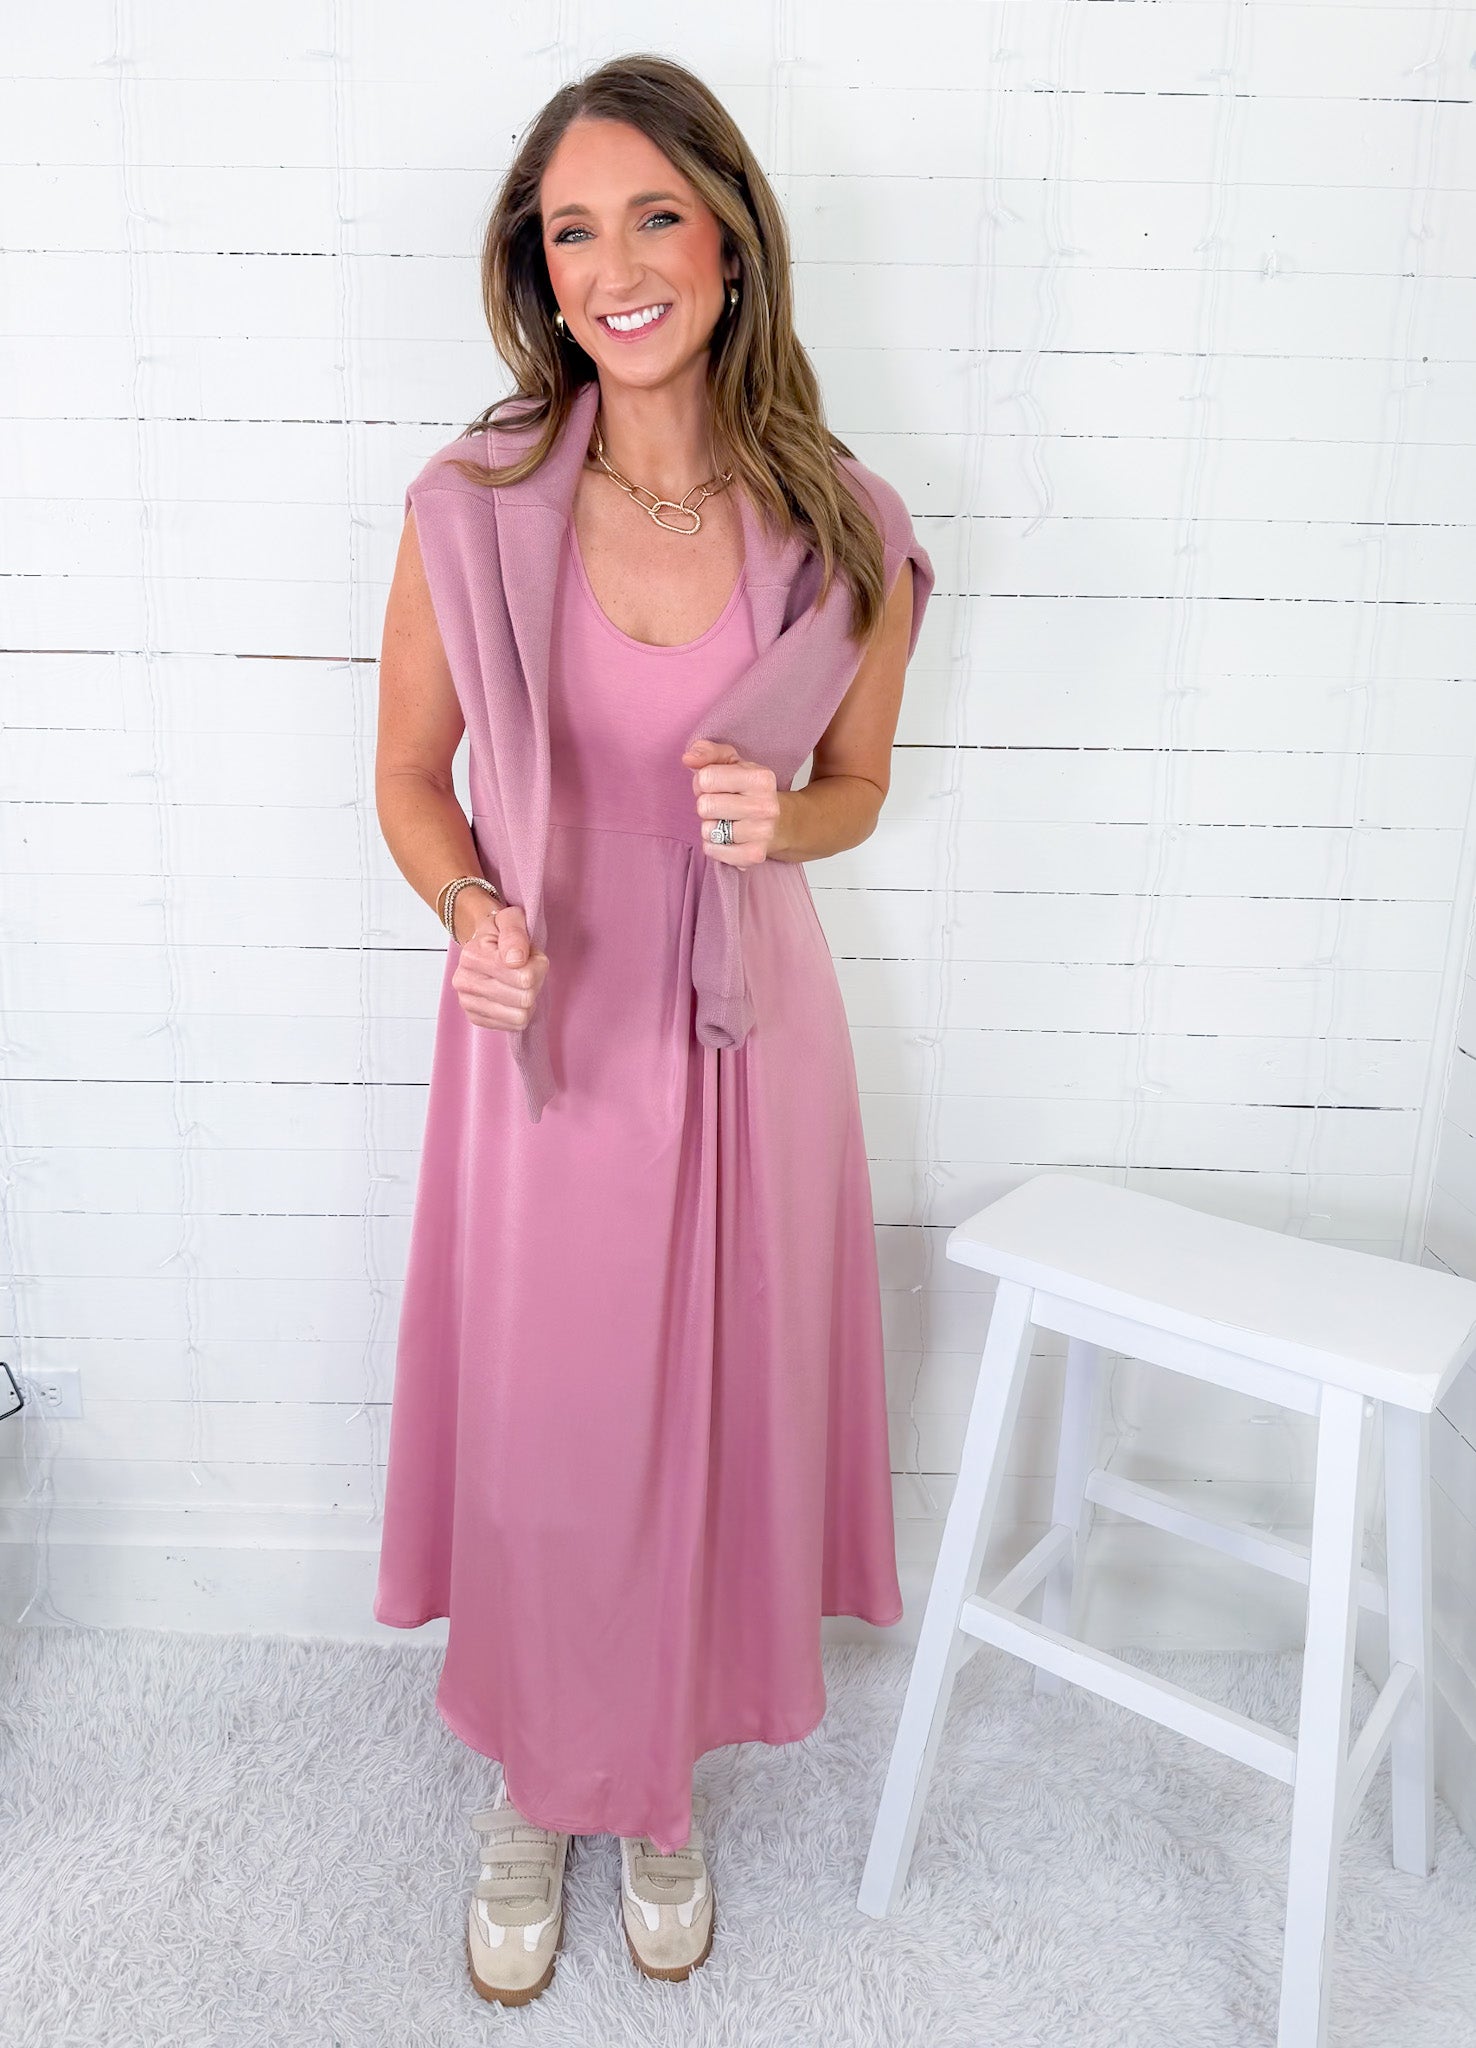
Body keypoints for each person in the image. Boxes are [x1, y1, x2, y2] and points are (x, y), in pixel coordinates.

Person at [371, 53, 935, 2006]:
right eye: (572, 232)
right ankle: (542, 1776)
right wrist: (471, 910)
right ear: (538, 271)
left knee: (711, 1419)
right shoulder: (474, 507)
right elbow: (410, 778)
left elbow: (859, 786)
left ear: (730, 239)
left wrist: (789, 818)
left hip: (746, 1043)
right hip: (548, 1035)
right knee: (553, 1426)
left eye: (654, 218)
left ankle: (660, 1778)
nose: (616, 268)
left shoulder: (842, 524)